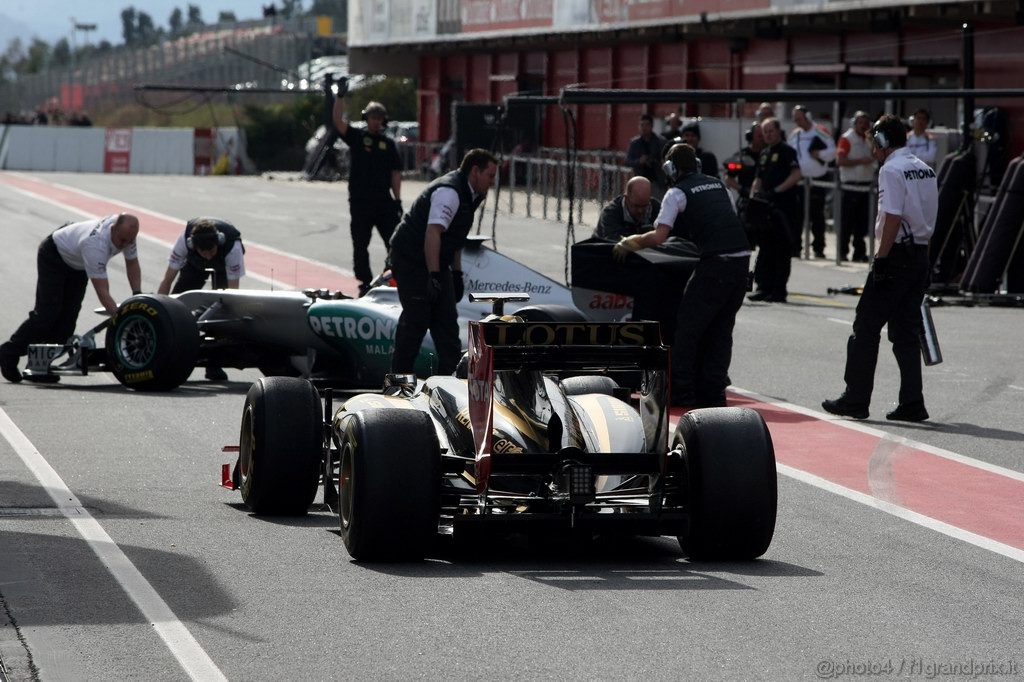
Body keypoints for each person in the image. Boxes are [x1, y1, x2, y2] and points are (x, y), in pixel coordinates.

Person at [612, 144, 751, 409]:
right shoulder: (717, 184)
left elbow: (659, 236)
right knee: (721, 331)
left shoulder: (676, 192)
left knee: (687, 330)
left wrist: (630, 242)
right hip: (742, 261)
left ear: (670, 168)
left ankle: (682, 394)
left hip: (716, 263)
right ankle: (714, 395)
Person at [822, 115, 938, 422]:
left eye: (875, 141)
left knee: (865, 327)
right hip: (920, 255)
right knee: (906, 333)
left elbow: (892, 217)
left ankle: (856, 399)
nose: (873, 147)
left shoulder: (891, 169)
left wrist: (881, 259)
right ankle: (912, 403)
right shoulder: (924, 168)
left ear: (883, 142)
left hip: (897, 255)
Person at [388, 149, 498, 376]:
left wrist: (455, 274)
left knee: (447, 323)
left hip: (435, 261)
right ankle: (397, 382)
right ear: (475, 171)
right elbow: (433, 233)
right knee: (416, 320)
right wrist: (434, 276)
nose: (492, 182)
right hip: (411, 258)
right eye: (490, 175)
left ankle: (450, 383)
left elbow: (455, 237)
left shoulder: (471, 195)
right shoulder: (450, 192)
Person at [1, 214, 142, 383]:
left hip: (78, 263)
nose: (125, 245)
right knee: (47, 314)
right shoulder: (95, 246)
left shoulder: (125, 232)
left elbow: (132, 263)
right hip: (55, 255)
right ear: (113, 229)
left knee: (68, 319)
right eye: (122, 240)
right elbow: (103, 292)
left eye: (129, 241)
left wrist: (137, 294)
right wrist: (121, 320)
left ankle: (39, 366)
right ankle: (8, 353)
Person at [332, 78, 404, 296]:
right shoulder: (357, 137)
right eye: (372, 117)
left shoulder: (388, 144)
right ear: (366, 118)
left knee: (396, 241)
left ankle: (391, 274)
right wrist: (340, 97)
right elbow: (338, 121)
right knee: (360, 243)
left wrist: (398, 199)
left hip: (383, 201)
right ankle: (364, 282)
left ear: (383, 121)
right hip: (360, 201)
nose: (376, 121)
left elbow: (396, 173)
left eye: (379, 118)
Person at [156, 218, 246, 381]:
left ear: (218, 242)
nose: (208, 255)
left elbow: (233, 292)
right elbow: (167, 279)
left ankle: (214, 364)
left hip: (223, 267)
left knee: (222, 308)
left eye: (210, 251)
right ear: (193, 246)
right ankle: (168, 349)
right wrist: (161, 310)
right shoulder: (184, 242)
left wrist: (229, 316)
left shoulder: (233, 248)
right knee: (177, 300)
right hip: (194, 265)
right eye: (203, 252)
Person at [748, 118, 802, 303]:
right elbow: (758, 179)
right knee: (765, 247)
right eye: (765, 132)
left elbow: (796, 175)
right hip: (765, 208)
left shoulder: (787, 151)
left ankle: (779, 290)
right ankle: (763, 286)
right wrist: (754, 195)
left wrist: (776, 191)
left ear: (779, 131)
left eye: (771, 131)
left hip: (783, 208)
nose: (768, 134)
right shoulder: (764, 153)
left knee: (781, 249)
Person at [789, 105, 836, 258]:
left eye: (800, 119)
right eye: (795, 119)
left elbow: (832, 152)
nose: (797, 122)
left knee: (817, 216)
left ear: (807, 116)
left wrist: (819, 154)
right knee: (797, 215)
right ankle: (796, 247)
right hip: (800, 181)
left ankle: (818, 247)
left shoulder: (820, 132)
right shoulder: (795, 135)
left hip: (817, 180)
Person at [836, 111, 876, 262]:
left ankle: (859, 252)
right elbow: (840, 160)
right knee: (846, 222)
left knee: (862, 223)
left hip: (866, 186)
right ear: (855, 123)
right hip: (850, 186)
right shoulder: (847, 138)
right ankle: (842, 252)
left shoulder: (869, 139)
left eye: (866, 123)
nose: (863, 126)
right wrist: (860, 161)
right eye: (860, 123)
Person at [594, 176, 661, 240]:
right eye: (636, 206)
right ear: (626, 198)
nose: (640, 210)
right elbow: (614, 242)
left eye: (644, 206)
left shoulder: (658, 209)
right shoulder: (611, 213)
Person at [625, 114, 666, 198]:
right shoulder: (635, 143)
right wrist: (639, 161)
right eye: (642, 125)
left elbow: (664, 159)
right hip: (639, 180)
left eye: (647, 125)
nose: (644, 128)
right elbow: (628, 161)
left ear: (651, 126)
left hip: (656, 180)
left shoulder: (660, 142)